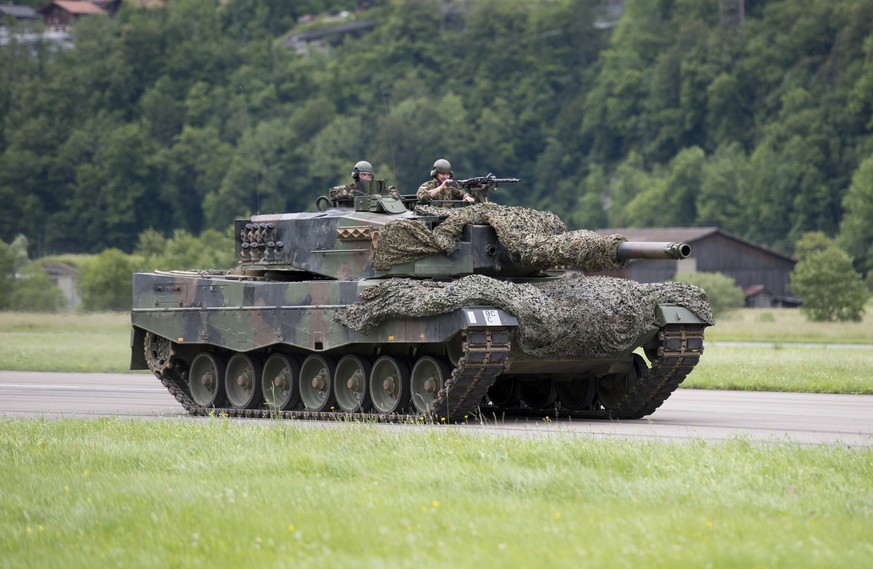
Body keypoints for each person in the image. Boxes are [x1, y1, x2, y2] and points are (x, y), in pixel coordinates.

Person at [328, 161, 400, 205]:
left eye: (369, 175)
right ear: (356, 175)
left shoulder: (377, 189)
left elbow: (395, 194)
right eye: (363, 174)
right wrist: (353, 194)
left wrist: (379, 197)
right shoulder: (350, 189)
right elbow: (333, 192)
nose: (366, 177)